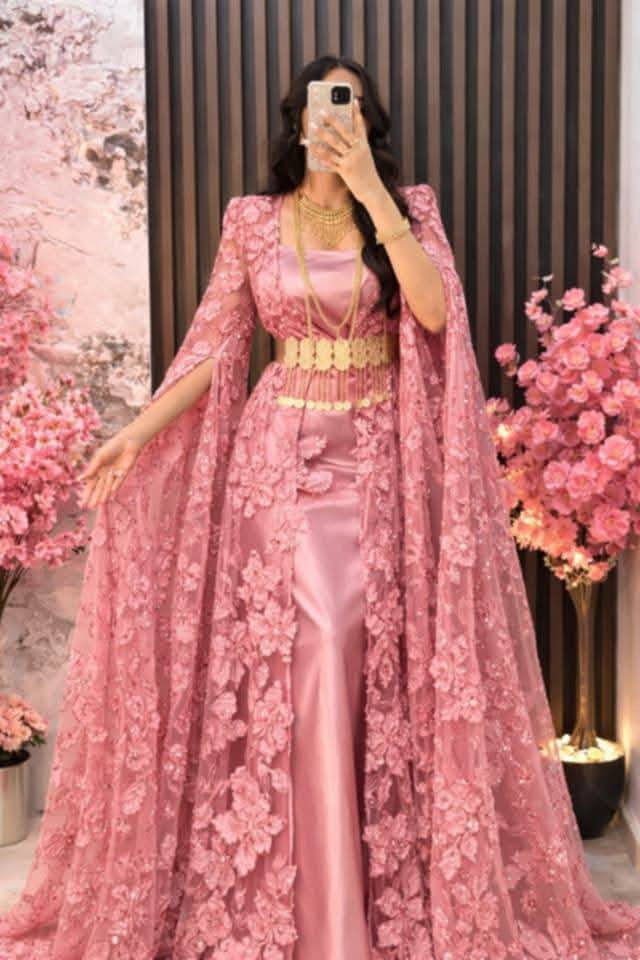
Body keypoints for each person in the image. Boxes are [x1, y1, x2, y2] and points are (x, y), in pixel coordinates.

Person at [2, 53, 640, 960]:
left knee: (363, 663)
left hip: (379, 462)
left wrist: (374, 193)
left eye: (350, 105)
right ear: (296, 119)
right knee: (314, 647)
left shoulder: (408, 210)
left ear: (366, 121)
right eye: (319, 103)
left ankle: (359, 894)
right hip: (280, 462)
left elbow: (434, 316)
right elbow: (215, 345)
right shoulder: (253, 220)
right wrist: (136, 435)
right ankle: (315, 912)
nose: (332, 117)